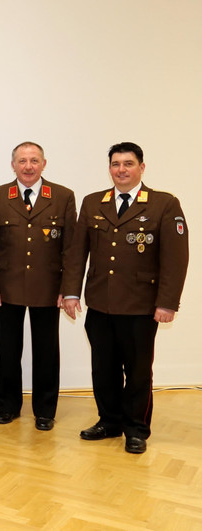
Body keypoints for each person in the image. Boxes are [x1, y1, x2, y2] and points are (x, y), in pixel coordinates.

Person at [61, 142, 188, 454]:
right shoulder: (94, 202)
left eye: (128, 164)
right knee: (103, 369)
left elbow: (175, 259)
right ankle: (109, 422)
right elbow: (77, 252)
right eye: (115, 164)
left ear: (141, 167)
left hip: (140, 305)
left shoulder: (164, 203)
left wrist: (167, 302)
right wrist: (71, 292)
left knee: (138, 371)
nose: (121, 170)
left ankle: (136, 429)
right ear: (109, 168)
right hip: (100, 302)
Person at [0, 142, 77, 431]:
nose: (28, 166)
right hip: (7, 287)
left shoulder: (62, 196)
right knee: (7, 350)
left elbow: (70, 249)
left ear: (44, 164)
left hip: (48, 288)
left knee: (47, 351)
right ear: (13, 165)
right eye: (22, 161)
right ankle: (6, 407)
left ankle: (45, 411)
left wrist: (68, 289)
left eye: (34, 160)